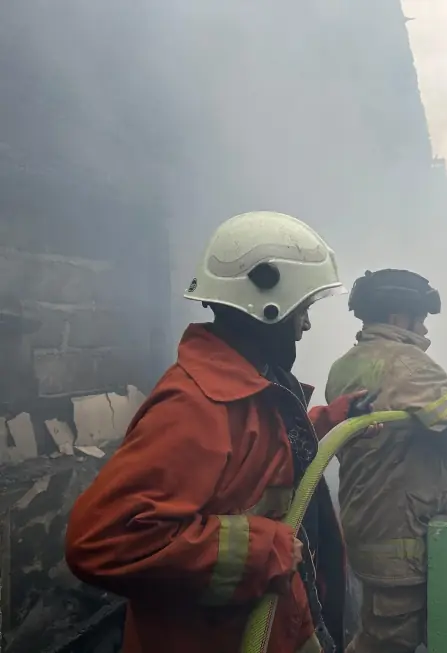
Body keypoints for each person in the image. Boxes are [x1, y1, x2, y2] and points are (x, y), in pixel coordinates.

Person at [65, 211, 369, 653]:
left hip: (271, 628)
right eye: (303, 309)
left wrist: (336, 416)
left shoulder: (247, 386)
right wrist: (260, 551)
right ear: (270, 305)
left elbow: (264, 453)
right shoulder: (195, 407)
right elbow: (100, 539)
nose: (306, 324)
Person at [325, 269, 447, 653]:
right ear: (400, 317)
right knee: (388, 642)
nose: (425, 328)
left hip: (368, 528)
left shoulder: (345, 365)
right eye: (422, 317)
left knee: (379, 631)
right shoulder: (410, 364)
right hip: (400, 541)